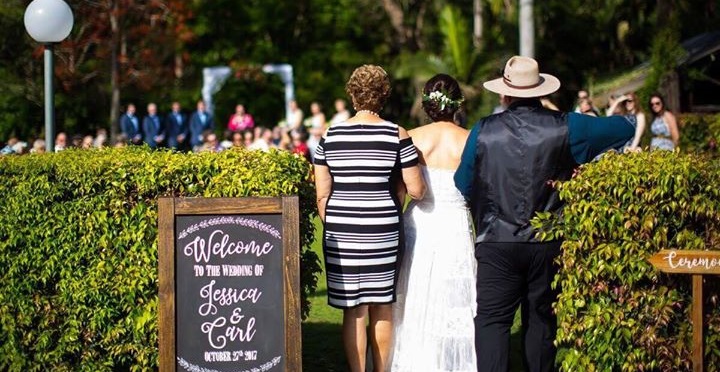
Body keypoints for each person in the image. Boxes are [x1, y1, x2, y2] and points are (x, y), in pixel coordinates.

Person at [454, 56, 635, 372]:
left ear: (505, 93)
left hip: (496, 240)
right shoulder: (569, 126)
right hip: (548, 240)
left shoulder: (483, 130)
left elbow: (463, 183)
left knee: (492, 322)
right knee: (541, 319)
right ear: (540, 89)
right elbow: (624, 127)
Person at [313, 64, 426, 372]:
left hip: (340, 229)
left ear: (352, 94)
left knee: (354, 311)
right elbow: (416, 189)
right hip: (384, 229)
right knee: (381, 306)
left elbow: (322, 194)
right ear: (384, 96)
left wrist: (335, 223)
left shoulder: (330, 135)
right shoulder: (396, 134)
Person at [390, 74, 476, 372]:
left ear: (427, 103)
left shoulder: (411, 136)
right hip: (454, 223)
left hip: (420, 222)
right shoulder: (470, 139)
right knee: (452, 295)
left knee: (414, 293)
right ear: (456, 104)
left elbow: (401, 190)